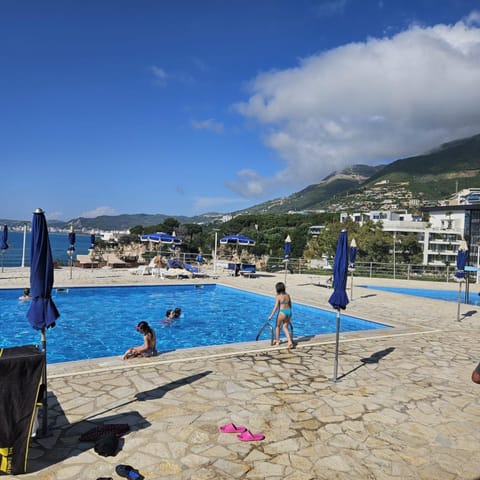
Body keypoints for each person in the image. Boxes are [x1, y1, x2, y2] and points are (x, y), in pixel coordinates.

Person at [268, 281, 293, 349]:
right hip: (289, 312)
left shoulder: (278, 296)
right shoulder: (288, 295)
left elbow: (276, 307)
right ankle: (290, 341)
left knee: (277, 326)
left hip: (282, 312)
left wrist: (271, 316)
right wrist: (289, 314)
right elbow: (290, 305)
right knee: (285, 327)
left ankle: (277, 341)